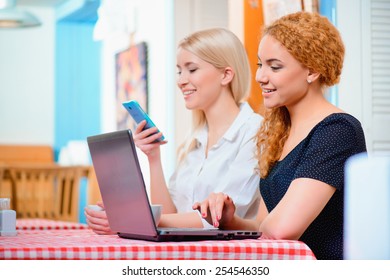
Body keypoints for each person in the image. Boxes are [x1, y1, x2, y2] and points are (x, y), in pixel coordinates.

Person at [192, 11, 367, 260]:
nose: (260, 77)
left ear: (313, 71)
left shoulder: (337, 131)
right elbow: (264, 225)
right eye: (260, 65)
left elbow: (282, 229)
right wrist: (231, 221)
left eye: (275, 67)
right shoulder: (280, 132)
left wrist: (265, 226)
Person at [85, 27, 263, 234]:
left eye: (192, 69)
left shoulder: (255, 132)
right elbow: (171, 214)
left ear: (225, 75)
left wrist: (135, 219)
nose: (181, 81)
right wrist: (153, 157)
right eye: (180, 71)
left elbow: (218, 218)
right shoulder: (194, 139)